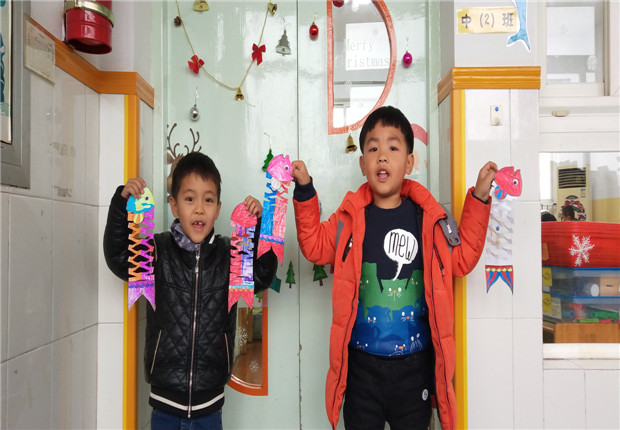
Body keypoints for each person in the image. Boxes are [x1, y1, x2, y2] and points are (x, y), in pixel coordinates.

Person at [291, 106, 497, 430]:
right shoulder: (349, 218)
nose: (382, 156)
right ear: (363, 165)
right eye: (373, 149)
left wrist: (480, 197)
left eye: (393, 147)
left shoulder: (428, 219)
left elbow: (463, 258)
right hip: (361, 370)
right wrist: (304, 191)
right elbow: (315, 246)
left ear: (409, 163)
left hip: (415, 370)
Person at [103, 152, 277, 429]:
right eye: (189, 199)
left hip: (210, 405)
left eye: (208, 200)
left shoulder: (231, 255)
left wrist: (260, 227)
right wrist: (120, 205)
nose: (199, 209)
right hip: (164, 403)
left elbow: (262, 276)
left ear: (218, 208)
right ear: (173, 205)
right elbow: (119, 258)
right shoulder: (156, 251)